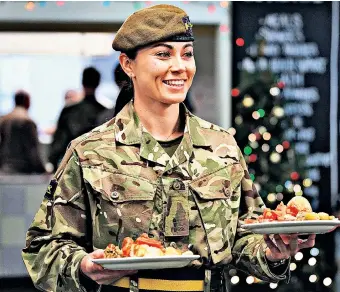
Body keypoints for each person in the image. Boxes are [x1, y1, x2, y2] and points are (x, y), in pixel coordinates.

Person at [22, 5, 315, 292]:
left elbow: (244, 236)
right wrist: (83, 265)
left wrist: (272, 253)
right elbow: (42, 248)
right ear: (128, 65)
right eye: (162, 54)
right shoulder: (91, 152)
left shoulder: (221, 146)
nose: (179, 66)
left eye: (187, 54)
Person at [48, 67, 106, 170]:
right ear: (98, 83)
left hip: (72, 166)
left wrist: (53, 162)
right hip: (97, 168)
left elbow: (59, 142)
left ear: (82, 82)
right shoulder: (104, 112)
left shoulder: (69, 111)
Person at [0, 90, 46, 174]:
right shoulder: (28, 122)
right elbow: (32, 150)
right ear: (27, 102)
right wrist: (42, 170)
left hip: (4, 168)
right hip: (23, 170)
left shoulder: (3, 120)